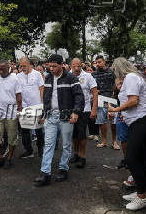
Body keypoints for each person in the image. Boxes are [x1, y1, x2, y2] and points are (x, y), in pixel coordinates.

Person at [108, 57, 146, 211]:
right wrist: (120, 113)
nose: (114, 74)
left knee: (132, 158)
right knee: (140, 158)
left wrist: (116, 109)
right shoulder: (134, 78)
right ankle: (141, 191)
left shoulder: (131, 78)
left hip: (141, 121)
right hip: (140, 121)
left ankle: (142, 196)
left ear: (119, 69)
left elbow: (133, 101)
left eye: (114, 70)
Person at [34, 54, 84, 186]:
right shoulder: (49, 77)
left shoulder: (71, 78)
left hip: (66, 117)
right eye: (49, 66)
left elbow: (79, 96)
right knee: (49, 144)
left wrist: (75, 112)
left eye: (54, 66)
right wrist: (45, 113)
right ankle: (45, 173)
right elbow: (46, 96)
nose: (51, 68)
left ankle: (63, 169)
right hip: (51, 116)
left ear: (62, 64)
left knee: (66, 144)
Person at [0, 61, 22, 169]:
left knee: (12, 138)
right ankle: (0, 158)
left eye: (3, 69)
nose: (0, 71)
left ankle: (9, 158)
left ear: (8, 68)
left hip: (11, 113)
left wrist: (18, 110)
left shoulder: (14, 79)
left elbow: (18, 96)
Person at [70, 58, 98, 168]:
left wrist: (94, 109)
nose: (76, 68)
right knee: (74, 134)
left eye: (78, 66)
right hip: (71, 110)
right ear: (71, 66)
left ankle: (82, 157)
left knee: (81, 135)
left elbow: (95, 93)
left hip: (84, 109)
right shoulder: (68, 76)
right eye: (74, 66)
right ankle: (75, 154)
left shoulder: (88, 76)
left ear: (82, 65)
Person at [16, 57, 44, 158]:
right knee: (25, 130)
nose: (22, 67)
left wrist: (42, 104)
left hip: (36, 105)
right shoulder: (18, 76)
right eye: (21, 66)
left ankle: (41, 149)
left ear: (29, 64)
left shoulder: (37, 74)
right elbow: (17, 92)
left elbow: (41, 89)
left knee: (38, 130)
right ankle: (29, 150)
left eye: (24, 65)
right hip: (24, 106)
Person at [92, 55, 120, 149]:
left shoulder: (112, 72)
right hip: (100, 99)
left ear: (104, 62)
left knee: (113, 121)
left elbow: (117, 85)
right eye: (96, 62)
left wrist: (115, 94)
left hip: (112, 98)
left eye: (100, 62)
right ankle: (104, 141)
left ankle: (114, 142)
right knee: (102, 122)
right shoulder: (94, 74)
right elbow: (92, 87)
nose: (98, 64)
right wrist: (95, 91)